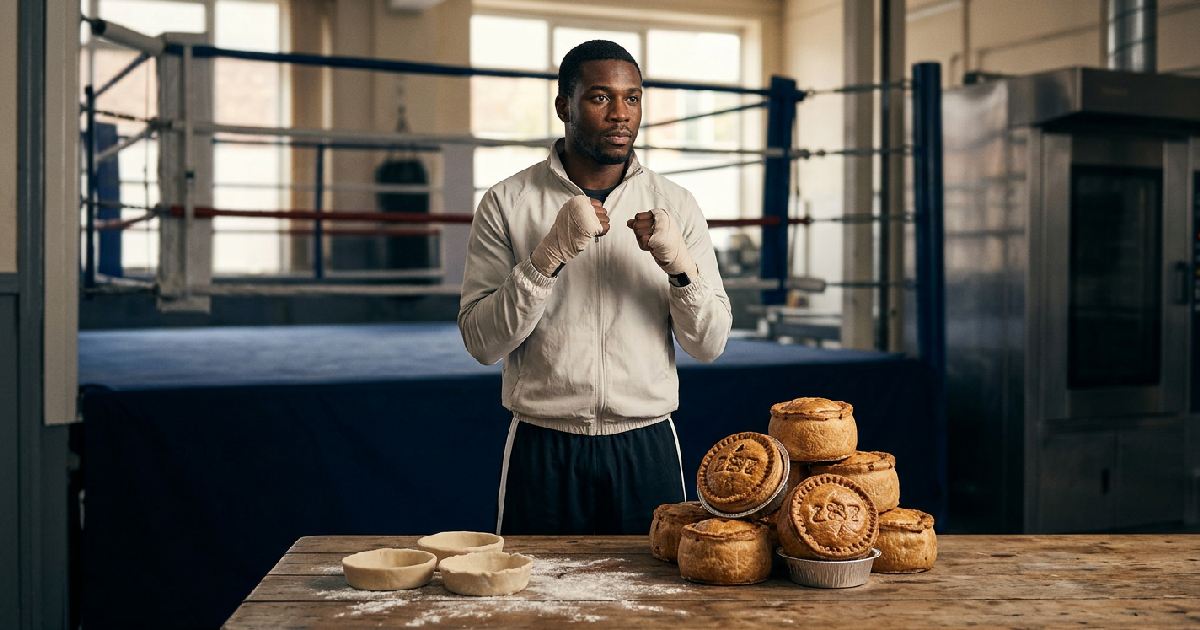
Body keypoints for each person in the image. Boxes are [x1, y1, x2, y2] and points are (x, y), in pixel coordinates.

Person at [458, 39, 732, 536]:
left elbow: (709, 344)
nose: (621, 114)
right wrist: (546, 259)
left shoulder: (676, 204)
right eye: (600, 97)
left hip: (646, 443)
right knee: (534, 605)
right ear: (565, 105)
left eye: (633, 98)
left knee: (653, 606)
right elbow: (482, 342)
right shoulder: (508, 202)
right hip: (543, 443)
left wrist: (680, 269)